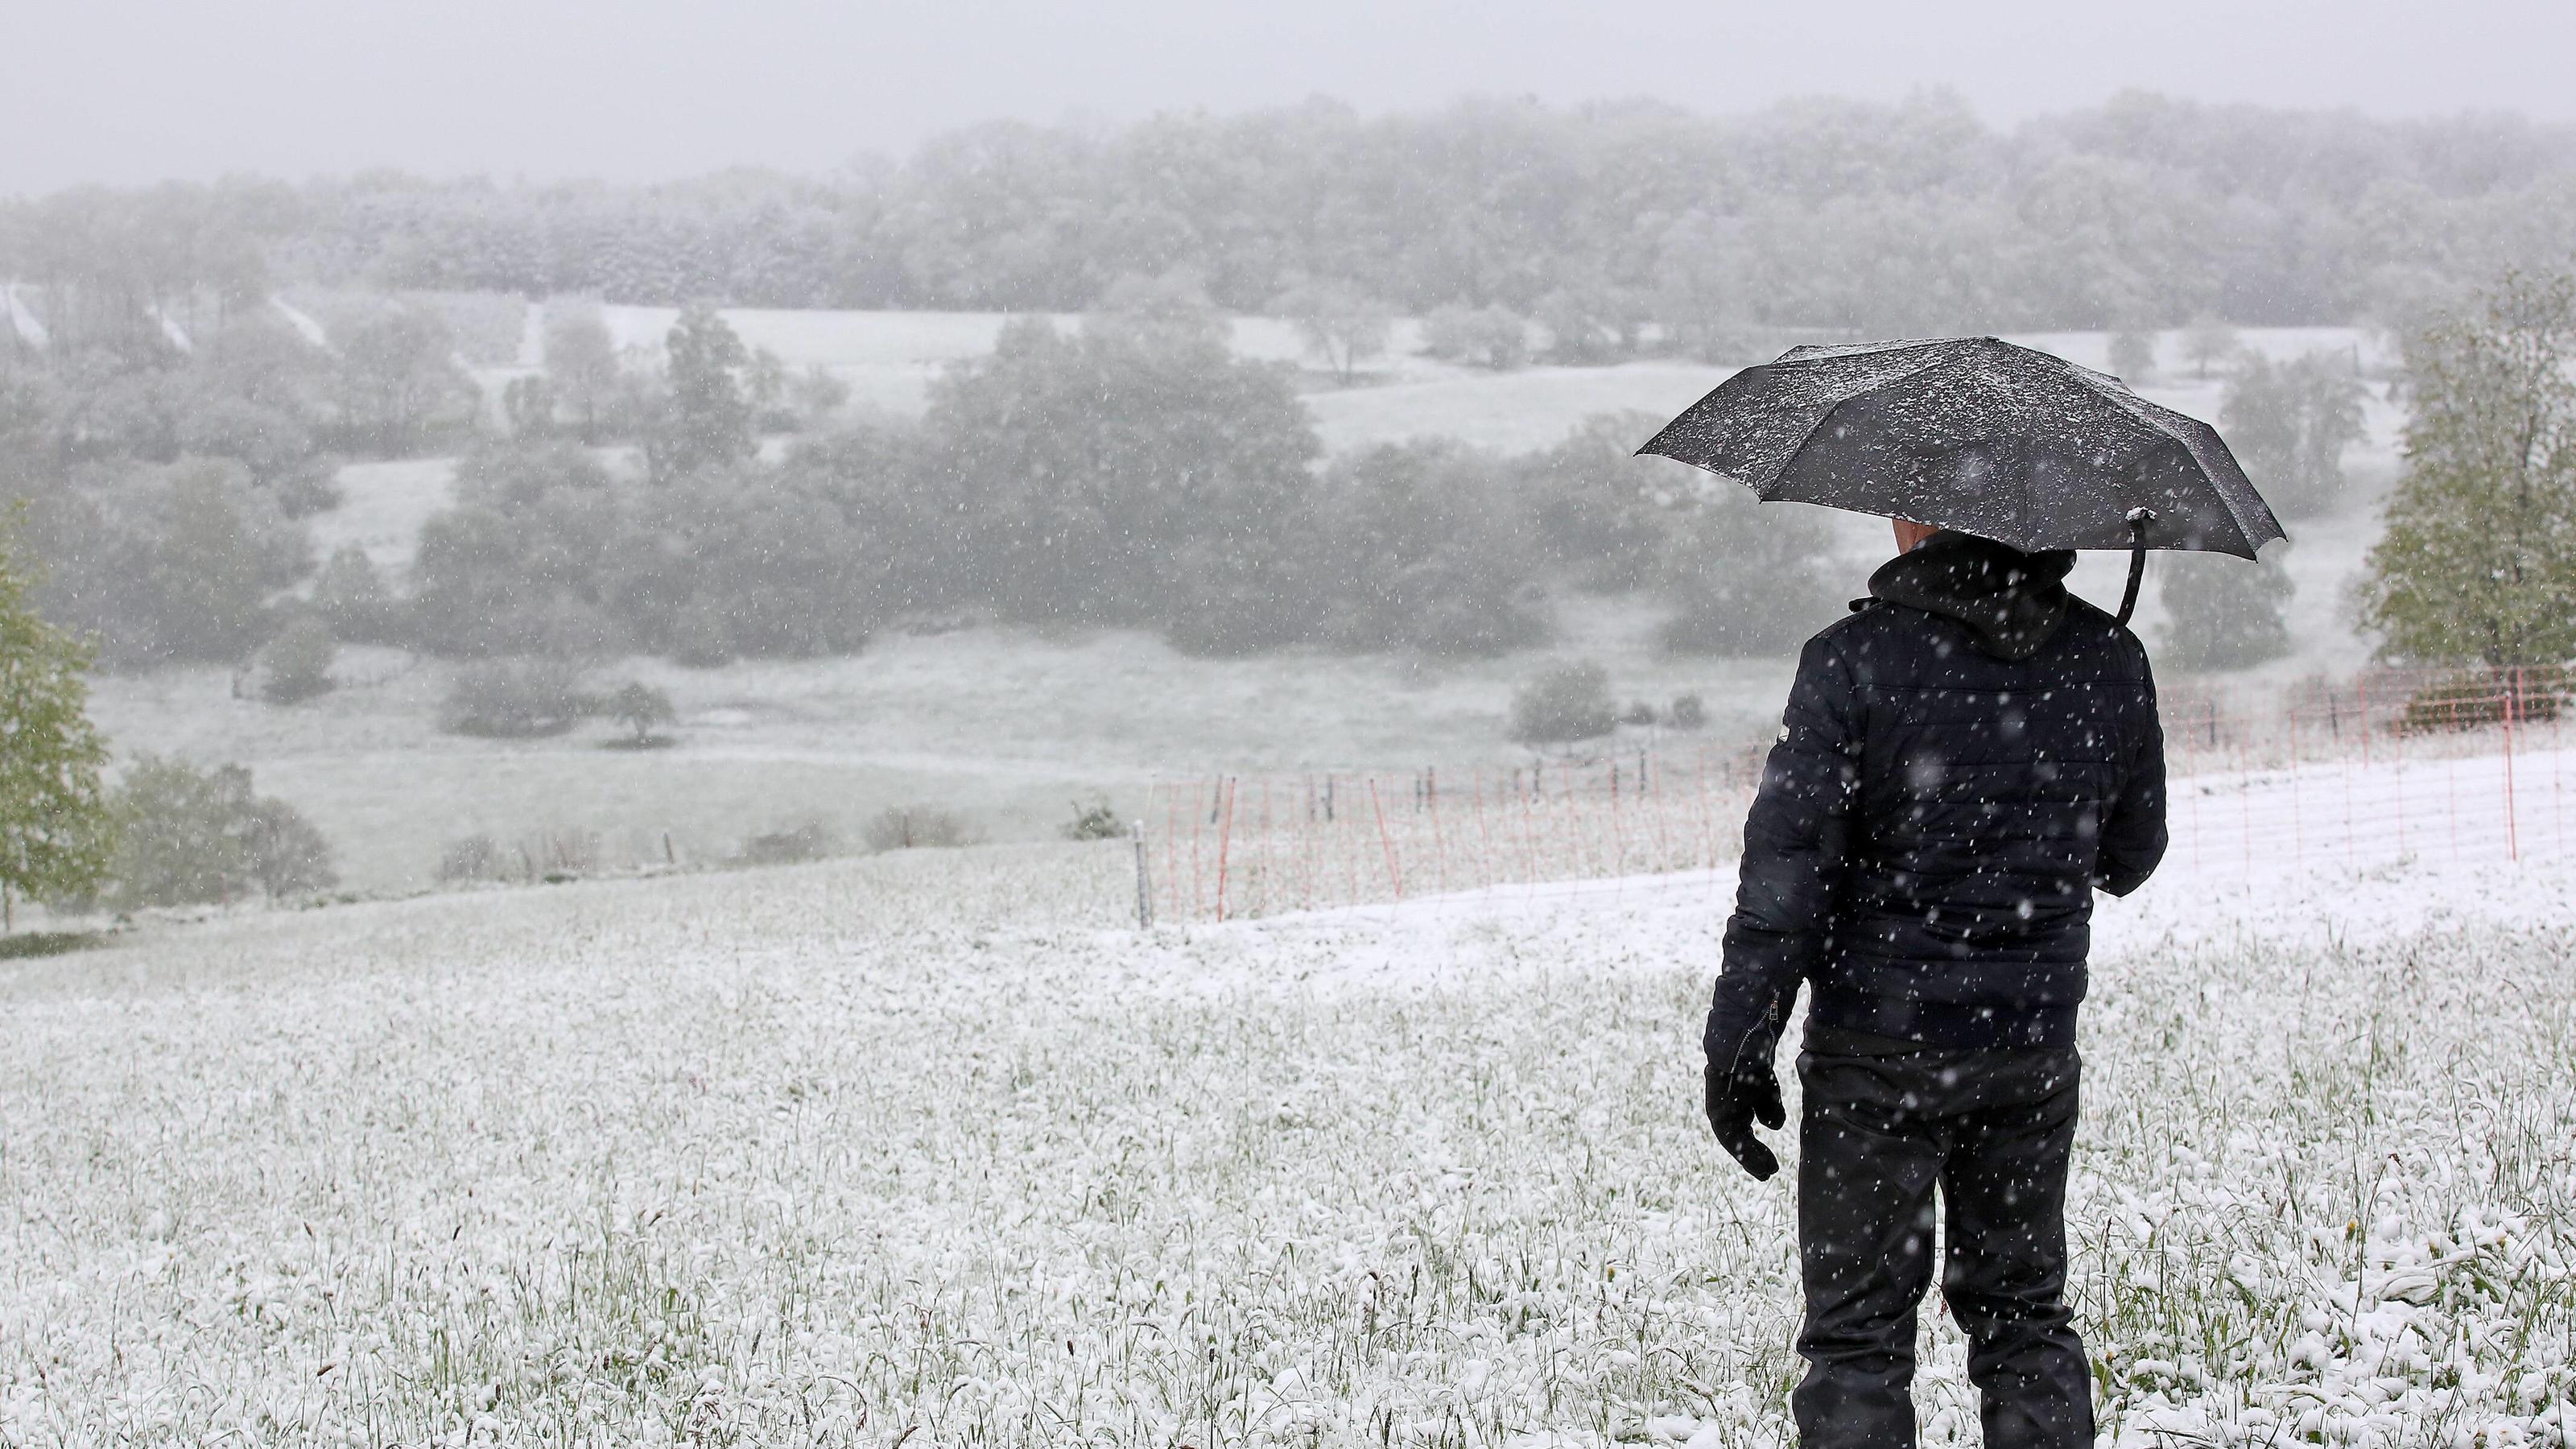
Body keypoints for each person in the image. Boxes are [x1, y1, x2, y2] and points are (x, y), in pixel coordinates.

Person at [1703, 518, 2167, 1449]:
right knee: (2023, 1315)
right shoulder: (2108, 656)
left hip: (1875, 1055)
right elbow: (2130, 854)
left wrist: (1740, 1037)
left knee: (1856, 1341)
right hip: (2027, 1047)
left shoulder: (1850, 660)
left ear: (1913, 516)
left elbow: (1787, 875)